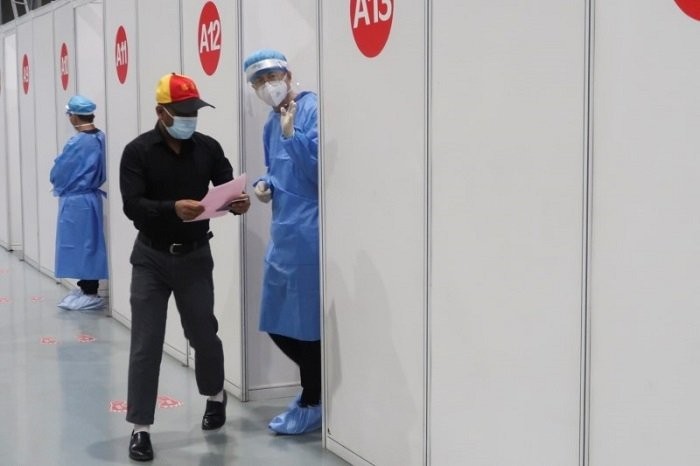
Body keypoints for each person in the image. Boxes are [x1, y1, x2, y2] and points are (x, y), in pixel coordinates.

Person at [119, 72, 250, 462]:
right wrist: (170, 208)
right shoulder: (138, 152)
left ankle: (215, 394)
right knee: (147, 343)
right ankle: (140, 428)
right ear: (161, 112)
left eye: (195, 111)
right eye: (182, 112)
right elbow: (131, 205)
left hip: (194, 256)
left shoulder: (207, 148)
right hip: (151, 259)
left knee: (203, 334)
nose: (190, 118)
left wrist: (237, 201)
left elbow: (227, 185)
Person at [243, 49, 321, 435]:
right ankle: (314, 391)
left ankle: (313, 397)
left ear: (288, 74)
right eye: (258, 81)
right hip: (283, 232)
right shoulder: (270, 125)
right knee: (276, 321)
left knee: (308, 326)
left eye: (271, 76)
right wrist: (265, 184)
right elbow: (277, 170)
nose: (266, 86)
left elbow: (317, 172)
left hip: (309, 231)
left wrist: (294, 136)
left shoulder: (311, 110)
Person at [50, 95, 108, 311]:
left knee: (84, 245)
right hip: (87, 198)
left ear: (73, 116)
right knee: (85, 244)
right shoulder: (100, 137)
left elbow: (60, 171)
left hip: (78, 200)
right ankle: (85, 287)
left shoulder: (78, 142)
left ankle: (91, 291)